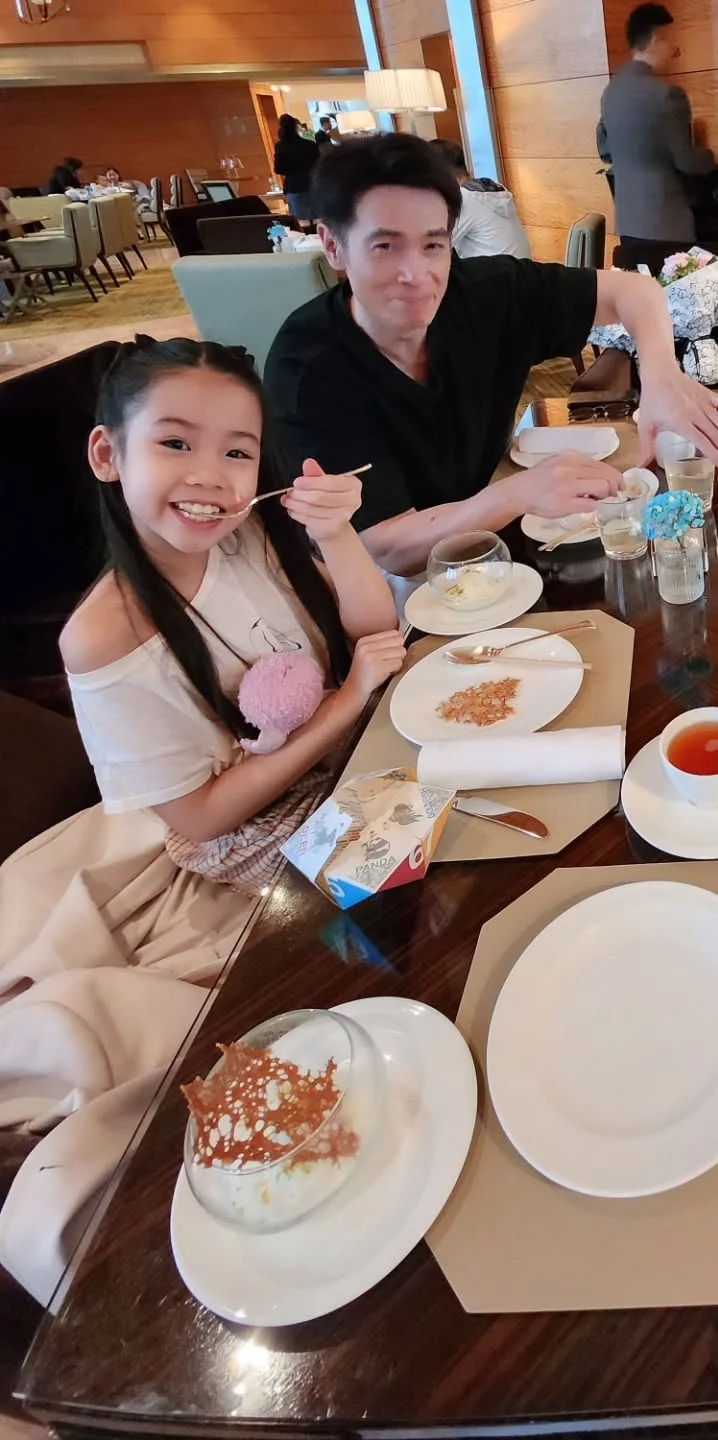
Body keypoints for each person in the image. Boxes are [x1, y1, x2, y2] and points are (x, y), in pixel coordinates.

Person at [0, 338, 406, 1300]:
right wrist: (346, 705)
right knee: (396, 925)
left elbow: (371, 634)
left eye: (238, 451)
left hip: (343, 765)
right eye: (176, 443)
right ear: (108, 454)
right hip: (243, 842)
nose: (212, 478)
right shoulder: (102, 635)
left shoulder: (248, 537)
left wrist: (341, 536)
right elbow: (202, 810)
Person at [264, 133, 718, 580]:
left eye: (433, 245)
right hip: (373, 587)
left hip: (488, 540)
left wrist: (660, 378)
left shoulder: (486, 295)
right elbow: (389, 549)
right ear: (333, 246)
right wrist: (518, 494)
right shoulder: (309, 367)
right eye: (385, 246)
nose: (417, 273)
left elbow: (634, 290)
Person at [597, 3, 715, 247]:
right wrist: (715, 156)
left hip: (628, 224)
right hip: (666, 224)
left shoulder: (610, 92)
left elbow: (605, 152)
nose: (674, 50)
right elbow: (687, 162)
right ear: (656, 39)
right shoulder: (668, 95)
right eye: (670, 41)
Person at [429, 138, 532, 260]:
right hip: (520, 269)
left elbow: (434, 247)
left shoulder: (464, 200)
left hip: (498, 271)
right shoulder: (490, 191)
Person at [273, 114, 321, 223]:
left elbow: (278, 169)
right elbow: (320, 165)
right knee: (319, 219)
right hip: (313, 185)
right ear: (296, 126)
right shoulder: (310, 144)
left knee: (301, 222)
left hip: (294, 186)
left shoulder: (281, 146)